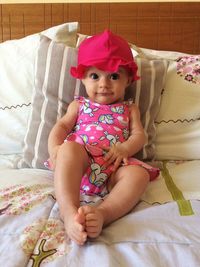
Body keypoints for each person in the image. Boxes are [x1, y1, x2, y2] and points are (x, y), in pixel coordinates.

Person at [47, 30, 159, 245]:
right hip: (81, 164)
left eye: (114, 76)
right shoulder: (79, 105)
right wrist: (54, 148)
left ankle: (103, 214)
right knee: (69, 149)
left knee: (139, 175)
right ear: (82, 77)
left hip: (114, 168)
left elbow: (139, 135)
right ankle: (69, 212)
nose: (104, 84)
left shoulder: (130, 108)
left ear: (128, 80)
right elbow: (61, 126)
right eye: (95, 76)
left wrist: (125, 149)